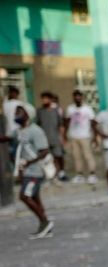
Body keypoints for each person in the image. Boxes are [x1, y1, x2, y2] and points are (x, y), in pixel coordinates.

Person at [15, 103, 53, 239]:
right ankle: (45, 227)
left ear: (28, 114)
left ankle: (45, 222)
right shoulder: (20, 131)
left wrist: (28, 162)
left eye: (20, 112)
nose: (16, 114)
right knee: (35, 198)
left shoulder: (36, 131)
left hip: (35, 171)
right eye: (16, 112)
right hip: (27, 171)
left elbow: (44, 151)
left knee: (25, 196)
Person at [64, 90, 97, 184]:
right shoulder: (70, 108)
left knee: (88, 155)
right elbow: (67, 121)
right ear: (73, 97)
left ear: (82, 97)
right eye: (75, 96)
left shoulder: (87, 109)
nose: (77, 98)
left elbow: (93, 122)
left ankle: (92, 174)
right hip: (74, 136)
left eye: (79, 96)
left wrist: (94, 136)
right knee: (77, 156)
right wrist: (65, 135)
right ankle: (79, 175)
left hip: (85, 136)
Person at [36, 92, 67, 181]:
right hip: (44, 139)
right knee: (46, 157)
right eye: (43, 98)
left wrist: (62, 137)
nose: (44, 100)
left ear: (50, 99)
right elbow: (38, 125)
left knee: (59, 155)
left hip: (55, 137)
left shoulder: (56, 110)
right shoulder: (40, 111)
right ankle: (50, 175)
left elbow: (61, 125)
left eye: (46, 98)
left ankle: (61, 173)